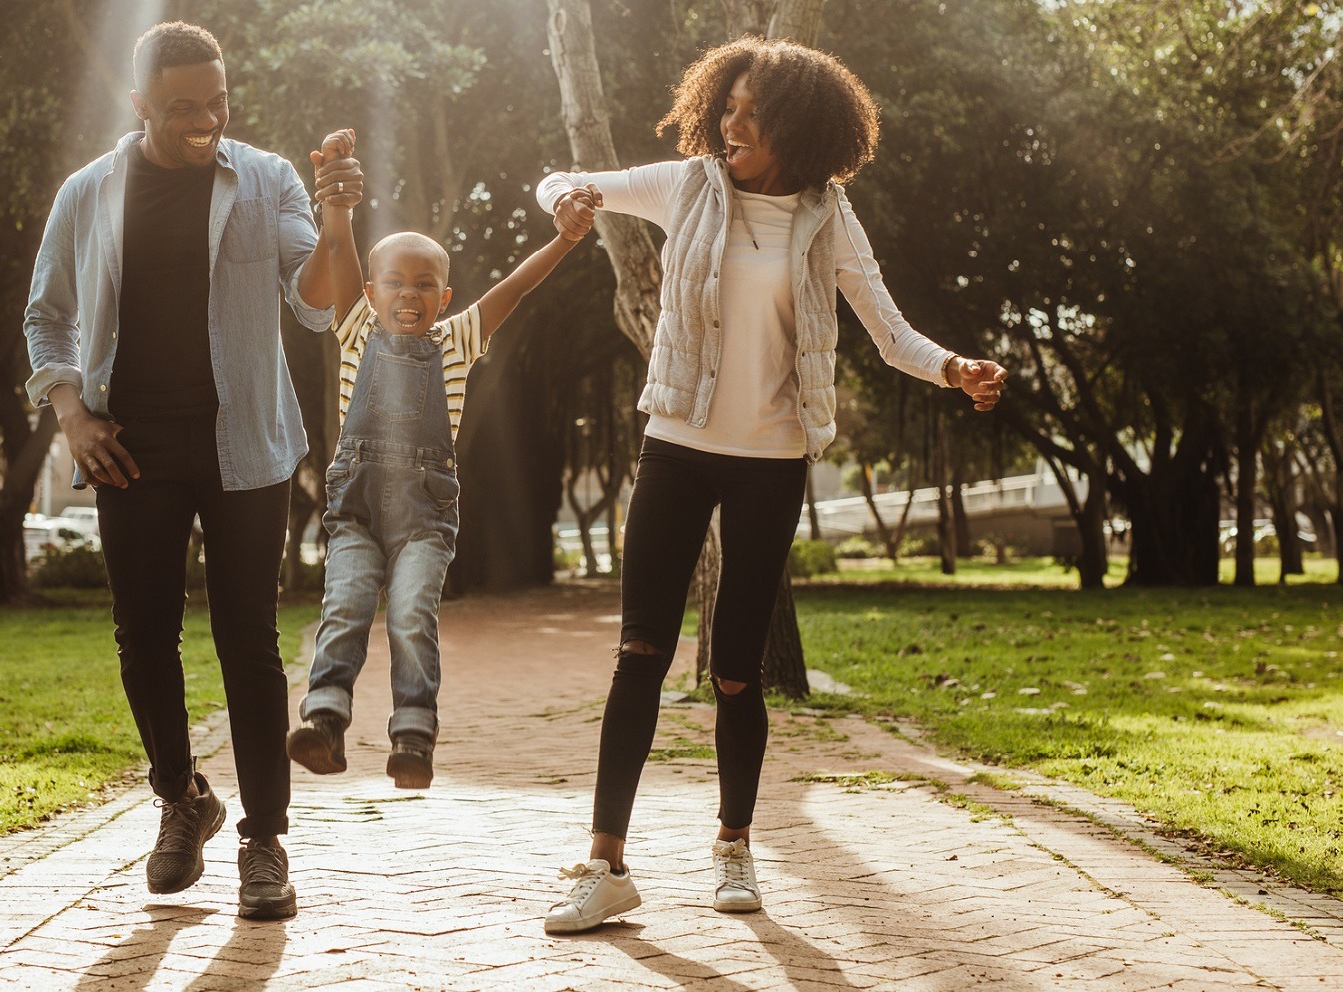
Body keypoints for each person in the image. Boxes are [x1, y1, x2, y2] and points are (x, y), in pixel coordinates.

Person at [535, 37, 1009, 934]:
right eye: (727, 107)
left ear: (799, 128)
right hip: (676, 443)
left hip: (771, 461)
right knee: (639, 652)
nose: (729, 124)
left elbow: (890, 331)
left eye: (750, 115)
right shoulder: (687, 187)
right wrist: (567, 197)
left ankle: (734, 850)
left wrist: (954, 368)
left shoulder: (829, 218)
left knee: (737, 672)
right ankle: (604, 863)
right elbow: (563, 177)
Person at [21, 21, 364, 921]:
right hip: (131, 444)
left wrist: (337, 217)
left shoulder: (266, 179)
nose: (205, 119)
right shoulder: (89, 193)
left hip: (244, 439)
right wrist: (71, 414)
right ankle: (182, 797)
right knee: (143, 635)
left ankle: (263, 841)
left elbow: (317, 303)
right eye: (183, 108)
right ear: (140, 106)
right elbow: (46, 315)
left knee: (247, 639)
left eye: (217, 101)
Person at [284, 129, 599, 790]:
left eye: (424, 284)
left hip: (426, 517)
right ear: (369, 293)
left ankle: (413, 734)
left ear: (445, 297)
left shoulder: (458, 339)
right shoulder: (356, 326)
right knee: (343, 606)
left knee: (408, 614)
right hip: (356, 512)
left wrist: (566, 240)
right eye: (394, 282)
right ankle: (325, 719)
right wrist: (337, 182)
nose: (408, 293)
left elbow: (515, 286)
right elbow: (338, 243)